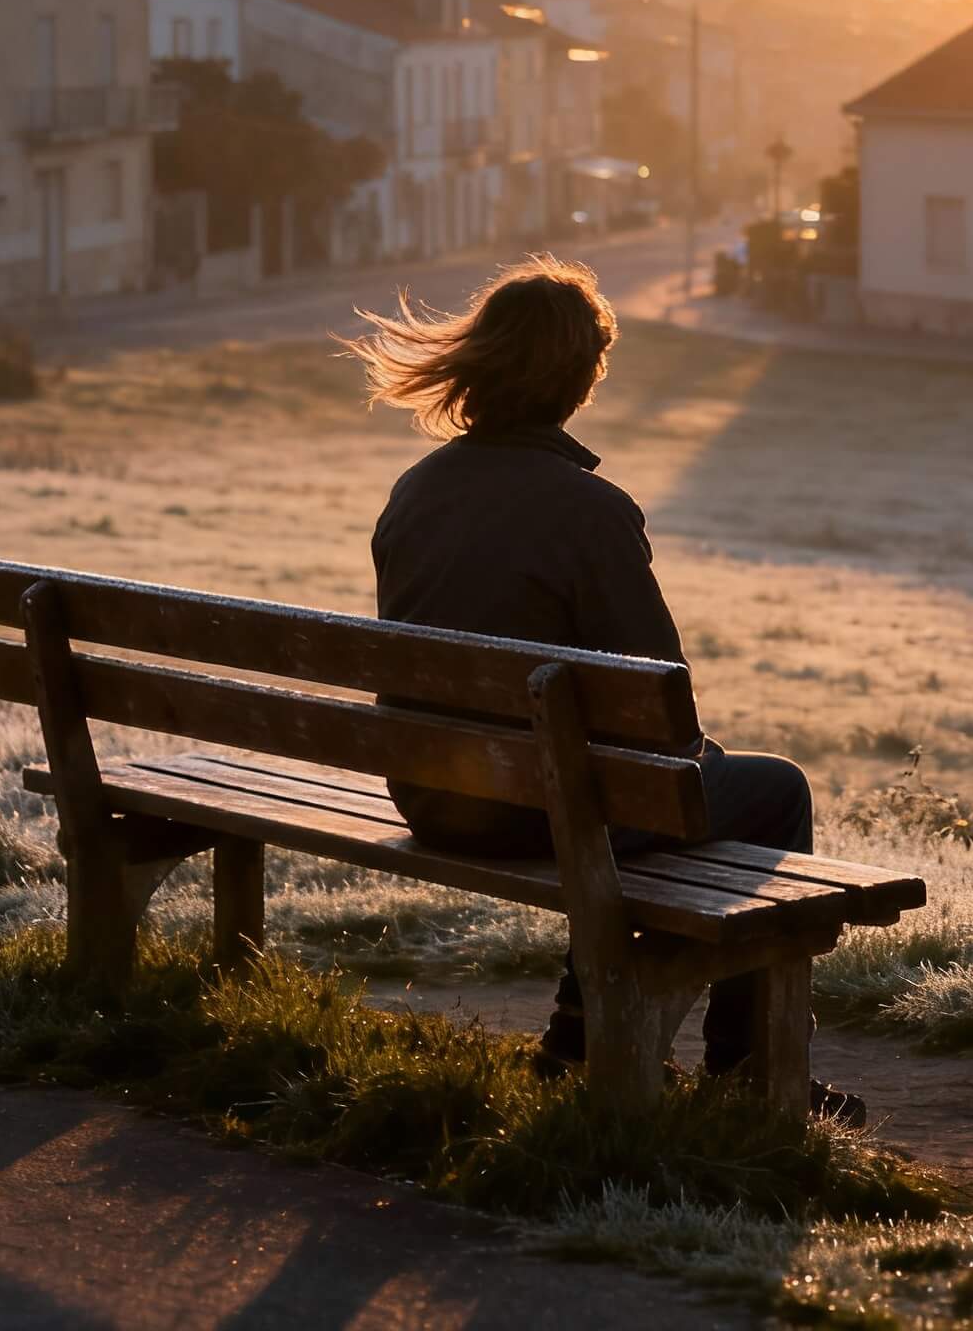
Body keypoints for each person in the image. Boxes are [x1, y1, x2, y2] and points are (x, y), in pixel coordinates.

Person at [344, 255, 863, 1122]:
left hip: (433, 794)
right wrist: (698, 759)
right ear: (581, 381)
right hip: (537, 809)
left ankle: (580, 1034)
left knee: (657, 796)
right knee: (768, 792)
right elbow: (657, 705)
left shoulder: (416, 490)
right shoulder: (589, 509)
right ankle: (746, 1068)